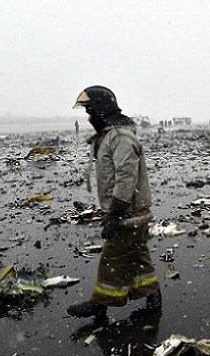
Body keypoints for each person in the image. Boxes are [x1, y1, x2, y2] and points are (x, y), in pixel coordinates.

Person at [67, 85, 161, 319]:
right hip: (130, 213)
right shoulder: (112, 136)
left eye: (90, 111)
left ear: (102, 110)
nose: (88, 117)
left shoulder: (120, 138)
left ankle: (100, 303)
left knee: (112, 260)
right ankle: (154, 299)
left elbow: (126, 179)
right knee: (138, 257)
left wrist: (115, 214)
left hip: (128, 214)